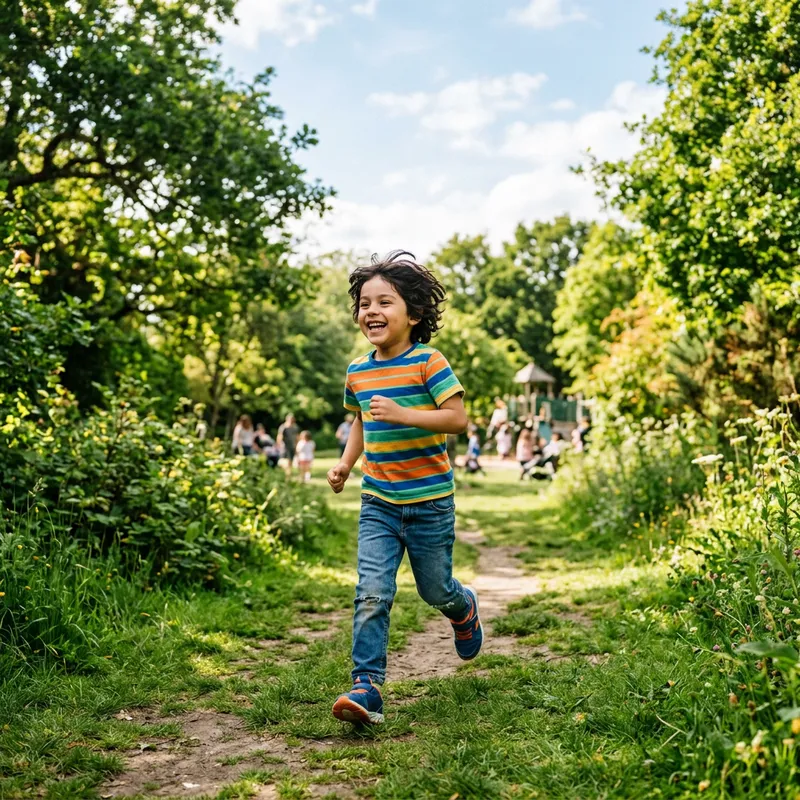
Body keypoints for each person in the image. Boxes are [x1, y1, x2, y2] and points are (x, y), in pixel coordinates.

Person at [326, 250, 482, 726]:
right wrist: (346, 463)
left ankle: (464, 608)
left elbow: (457, 419)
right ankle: (366, 686)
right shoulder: (358, 370)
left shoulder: (428, 361)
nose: (371, 311)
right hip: (379, 501)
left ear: (413, 314)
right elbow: (360, 421)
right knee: (372, 591)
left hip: (430, 502)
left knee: (435, 590)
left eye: (385, 302)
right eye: (364, 303)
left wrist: (404, 413)